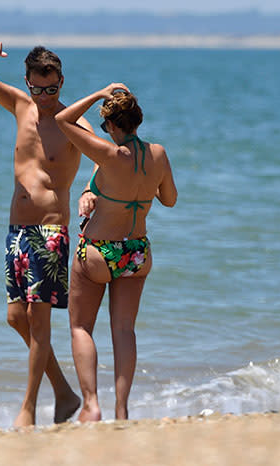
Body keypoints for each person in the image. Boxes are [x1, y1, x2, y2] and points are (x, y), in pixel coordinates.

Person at [0, 40, 89, 427]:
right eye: (38, 89)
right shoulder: (21, 106)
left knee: (38, 323)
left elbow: (109, 155)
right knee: (16, 319)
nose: (45, 96)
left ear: (61, 81)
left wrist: (89, 190)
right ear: (28, 83)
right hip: (17, 231)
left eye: (51, 89)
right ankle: (65, 393)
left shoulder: (73, 122)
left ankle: (29, 410)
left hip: (50, 231)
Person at [55, 83, 177, 422]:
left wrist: (97, 95)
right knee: (124, 330)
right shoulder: (159, 154)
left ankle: (92, 406)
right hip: (136, 251)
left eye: (106, 124)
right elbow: (169, 199)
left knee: (81, 327)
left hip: (99, 251)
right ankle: (122, 410)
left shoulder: (109, 155)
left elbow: (64, 120)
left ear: (111, 125)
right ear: (137, 120)